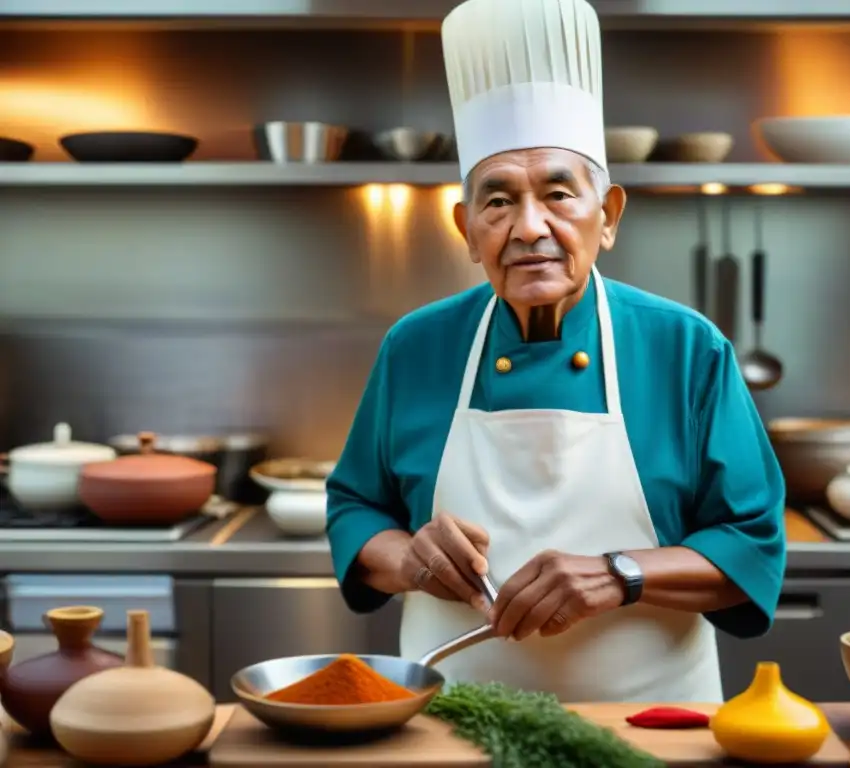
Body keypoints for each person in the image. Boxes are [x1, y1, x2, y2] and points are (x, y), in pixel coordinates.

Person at [326, 0, 786, 703]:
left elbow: (753, 545)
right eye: (498, 201)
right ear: (466, 228)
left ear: (608, 217)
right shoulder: (415, 347)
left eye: (558, 193)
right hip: (455, 726)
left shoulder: (686, 349)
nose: (528, 226)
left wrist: (621, 573)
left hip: (652, 728)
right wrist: (408, 559)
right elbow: (356, 508)